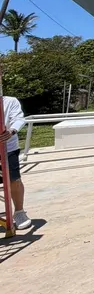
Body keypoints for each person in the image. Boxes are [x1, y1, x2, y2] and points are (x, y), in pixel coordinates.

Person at [0, 96, 31, 230]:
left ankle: (19, 212)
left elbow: (18, 119)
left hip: (8, 147)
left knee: (14, 179)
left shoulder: (9, 101)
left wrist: (11, 131)